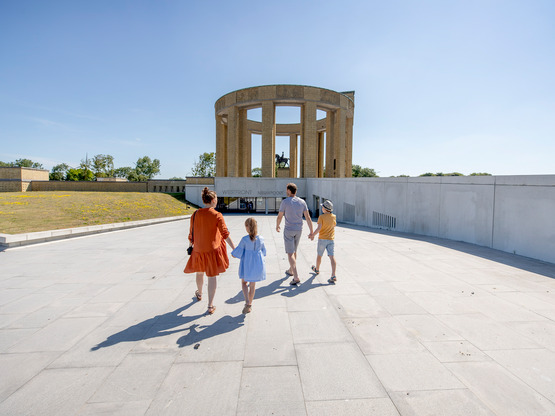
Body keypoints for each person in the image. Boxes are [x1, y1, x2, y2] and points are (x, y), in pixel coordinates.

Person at [184, 187, 235, 315]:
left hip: (199, 249)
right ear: (212, 200)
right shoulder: (217, 215)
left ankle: (200, 293)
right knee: (211, 276)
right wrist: (234, 247)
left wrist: (191, 246)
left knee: (200, 273)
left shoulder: (195, 214)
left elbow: (191, 233)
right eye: (216, 199)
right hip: (212, 250)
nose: (217, 201)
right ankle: (210, 305)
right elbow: (225, 234)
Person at [275, 182, 314, 285]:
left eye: (286, 190)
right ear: (296, 191)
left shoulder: (285, 202)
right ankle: (291, 270)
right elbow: (308, 217)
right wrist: (311, 232)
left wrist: (277, 225)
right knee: (294, 251)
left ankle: (296, 276)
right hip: (299, 230)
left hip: (289, 230)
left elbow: (280, 216)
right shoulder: (302, 202)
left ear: (289, 191)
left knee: (290, 253)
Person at [231, 217, 266, 314]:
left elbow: (238, 252)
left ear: (247, 227)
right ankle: (250, 304)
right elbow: (264, 252)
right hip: (257, 265)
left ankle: (247, 301)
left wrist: (233, 254)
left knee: (244, 283)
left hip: (247, 264)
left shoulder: (245, 239)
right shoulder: (261, 239)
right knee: (253, 286)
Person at [309, 199, 337, 283]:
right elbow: (334, 225)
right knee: (332, 256)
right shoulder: (334, 216)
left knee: (319, 255)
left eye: (322, 207)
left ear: (325, 209)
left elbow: (319, 228)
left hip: (322, 239)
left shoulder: (321, 217)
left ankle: (317, 269)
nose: (321, 208)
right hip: (331, 239)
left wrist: (312, 235)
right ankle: (333, 275)